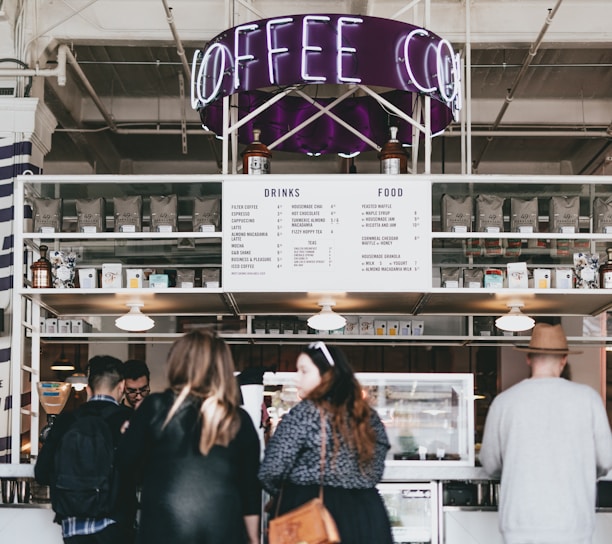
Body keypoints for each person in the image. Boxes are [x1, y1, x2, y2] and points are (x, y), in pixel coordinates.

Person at [116, 328, 261, 544]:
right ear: (222, 367)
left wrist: (131, 436)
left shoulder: (153, 408)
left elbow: (125, 467)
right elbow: (250, 489)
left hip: (162, 530)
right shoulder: (238, 419)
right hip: (223, 530)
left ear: (177, 363)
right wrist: (253, 537)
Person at [479, 323, 612, 544]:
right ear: (563, 360)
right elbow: (606, 459)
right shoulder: (587, 399)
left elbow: (490, 464)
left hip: (520, 524)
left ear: (528, 359)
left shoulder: (505, 401)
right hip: (573, 523)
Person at [258, 341, 393, 544]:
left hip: (311, 514)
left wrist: (293, 494)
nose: (297, 378)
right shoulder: (368, 416)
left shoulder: (305, 413)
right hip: (365, 515)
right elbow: (375, 470)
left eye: (304, 371)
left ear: (327, 374)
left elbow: (271, 470)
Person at [34, 355, 136, 544]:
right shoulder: (129, 420)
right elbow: (141, 471)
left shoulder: (66, 421)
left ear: (88, 389)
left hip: (73, 530)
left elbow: (41, 473)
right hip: (116, 525)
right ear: (121, 386)